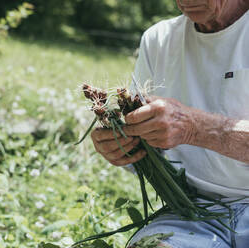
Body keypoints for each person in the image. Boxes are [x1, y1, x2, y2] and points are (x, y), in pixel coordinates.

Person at [91, 0, 249, 247]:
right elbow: (149, 149)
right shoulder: (159, 39)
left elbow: (191, 128)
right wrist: (126, 145)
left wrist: (196, 128)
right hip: (194, 212)